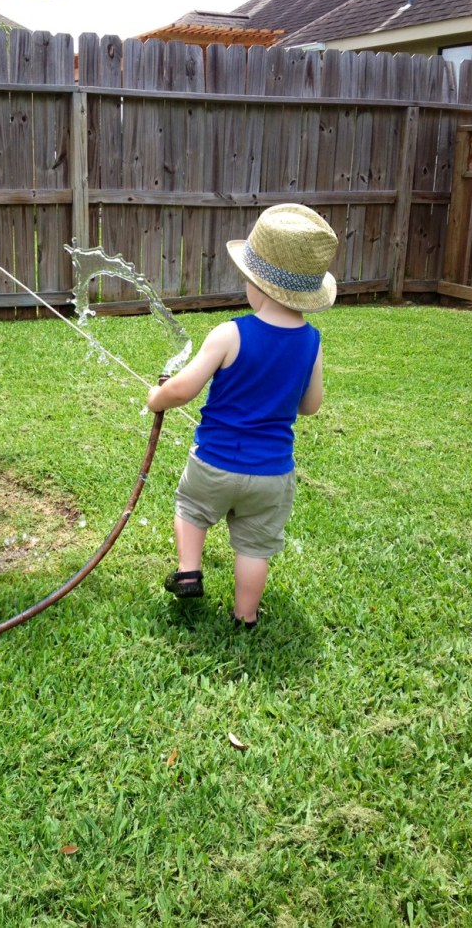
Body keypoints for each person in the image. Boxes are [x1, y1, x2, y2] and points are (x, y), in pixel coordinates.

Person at [146, 203, 338, 629]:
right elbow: (311, 405)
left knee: (191, 508)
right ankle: (245, 616)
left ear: (258, 285)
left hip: (213, 464)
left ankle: (189, 569)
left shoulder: (230, 333)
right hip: (272, 476)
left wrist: (157, 397)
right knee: (255, 547)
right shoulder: (312, 342)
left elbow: (185, 387)